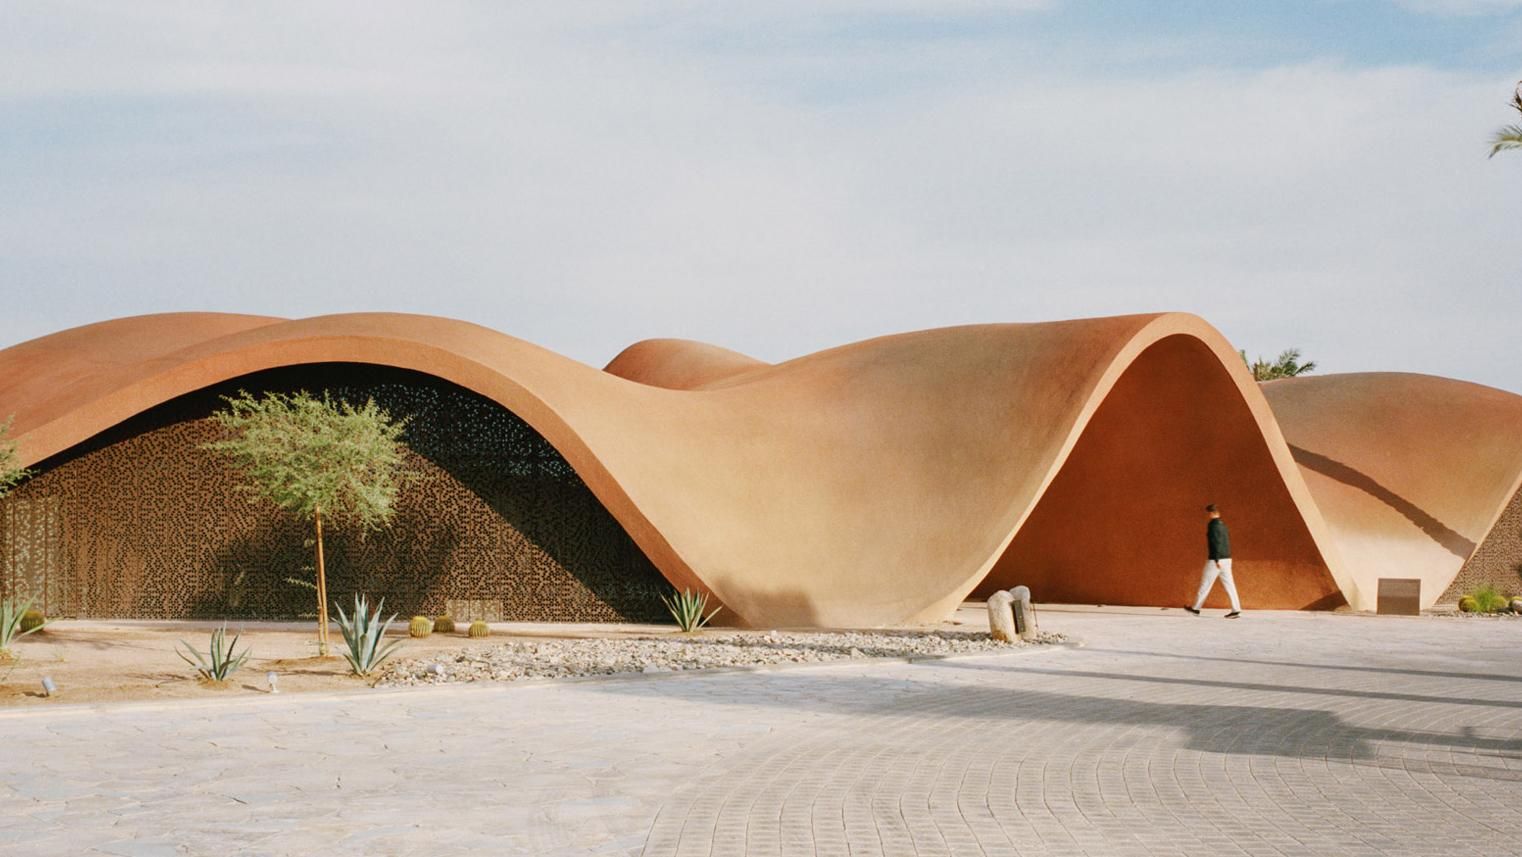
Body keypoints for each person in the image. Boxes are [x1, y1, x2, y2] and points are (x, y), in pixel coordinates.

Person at [1184, 504, 1241, 619]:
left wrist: (1216, 559)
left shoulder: (1212, 525)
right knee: (1230, 585)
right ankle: (1236, 609)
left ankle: (1196, 608)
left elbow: (1215, 542)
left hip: (1216, 560)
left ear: (1211, 513)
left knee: (1205, 583)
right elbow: (1225, 542)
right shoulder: (1223, 525)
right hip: (1227, 558)